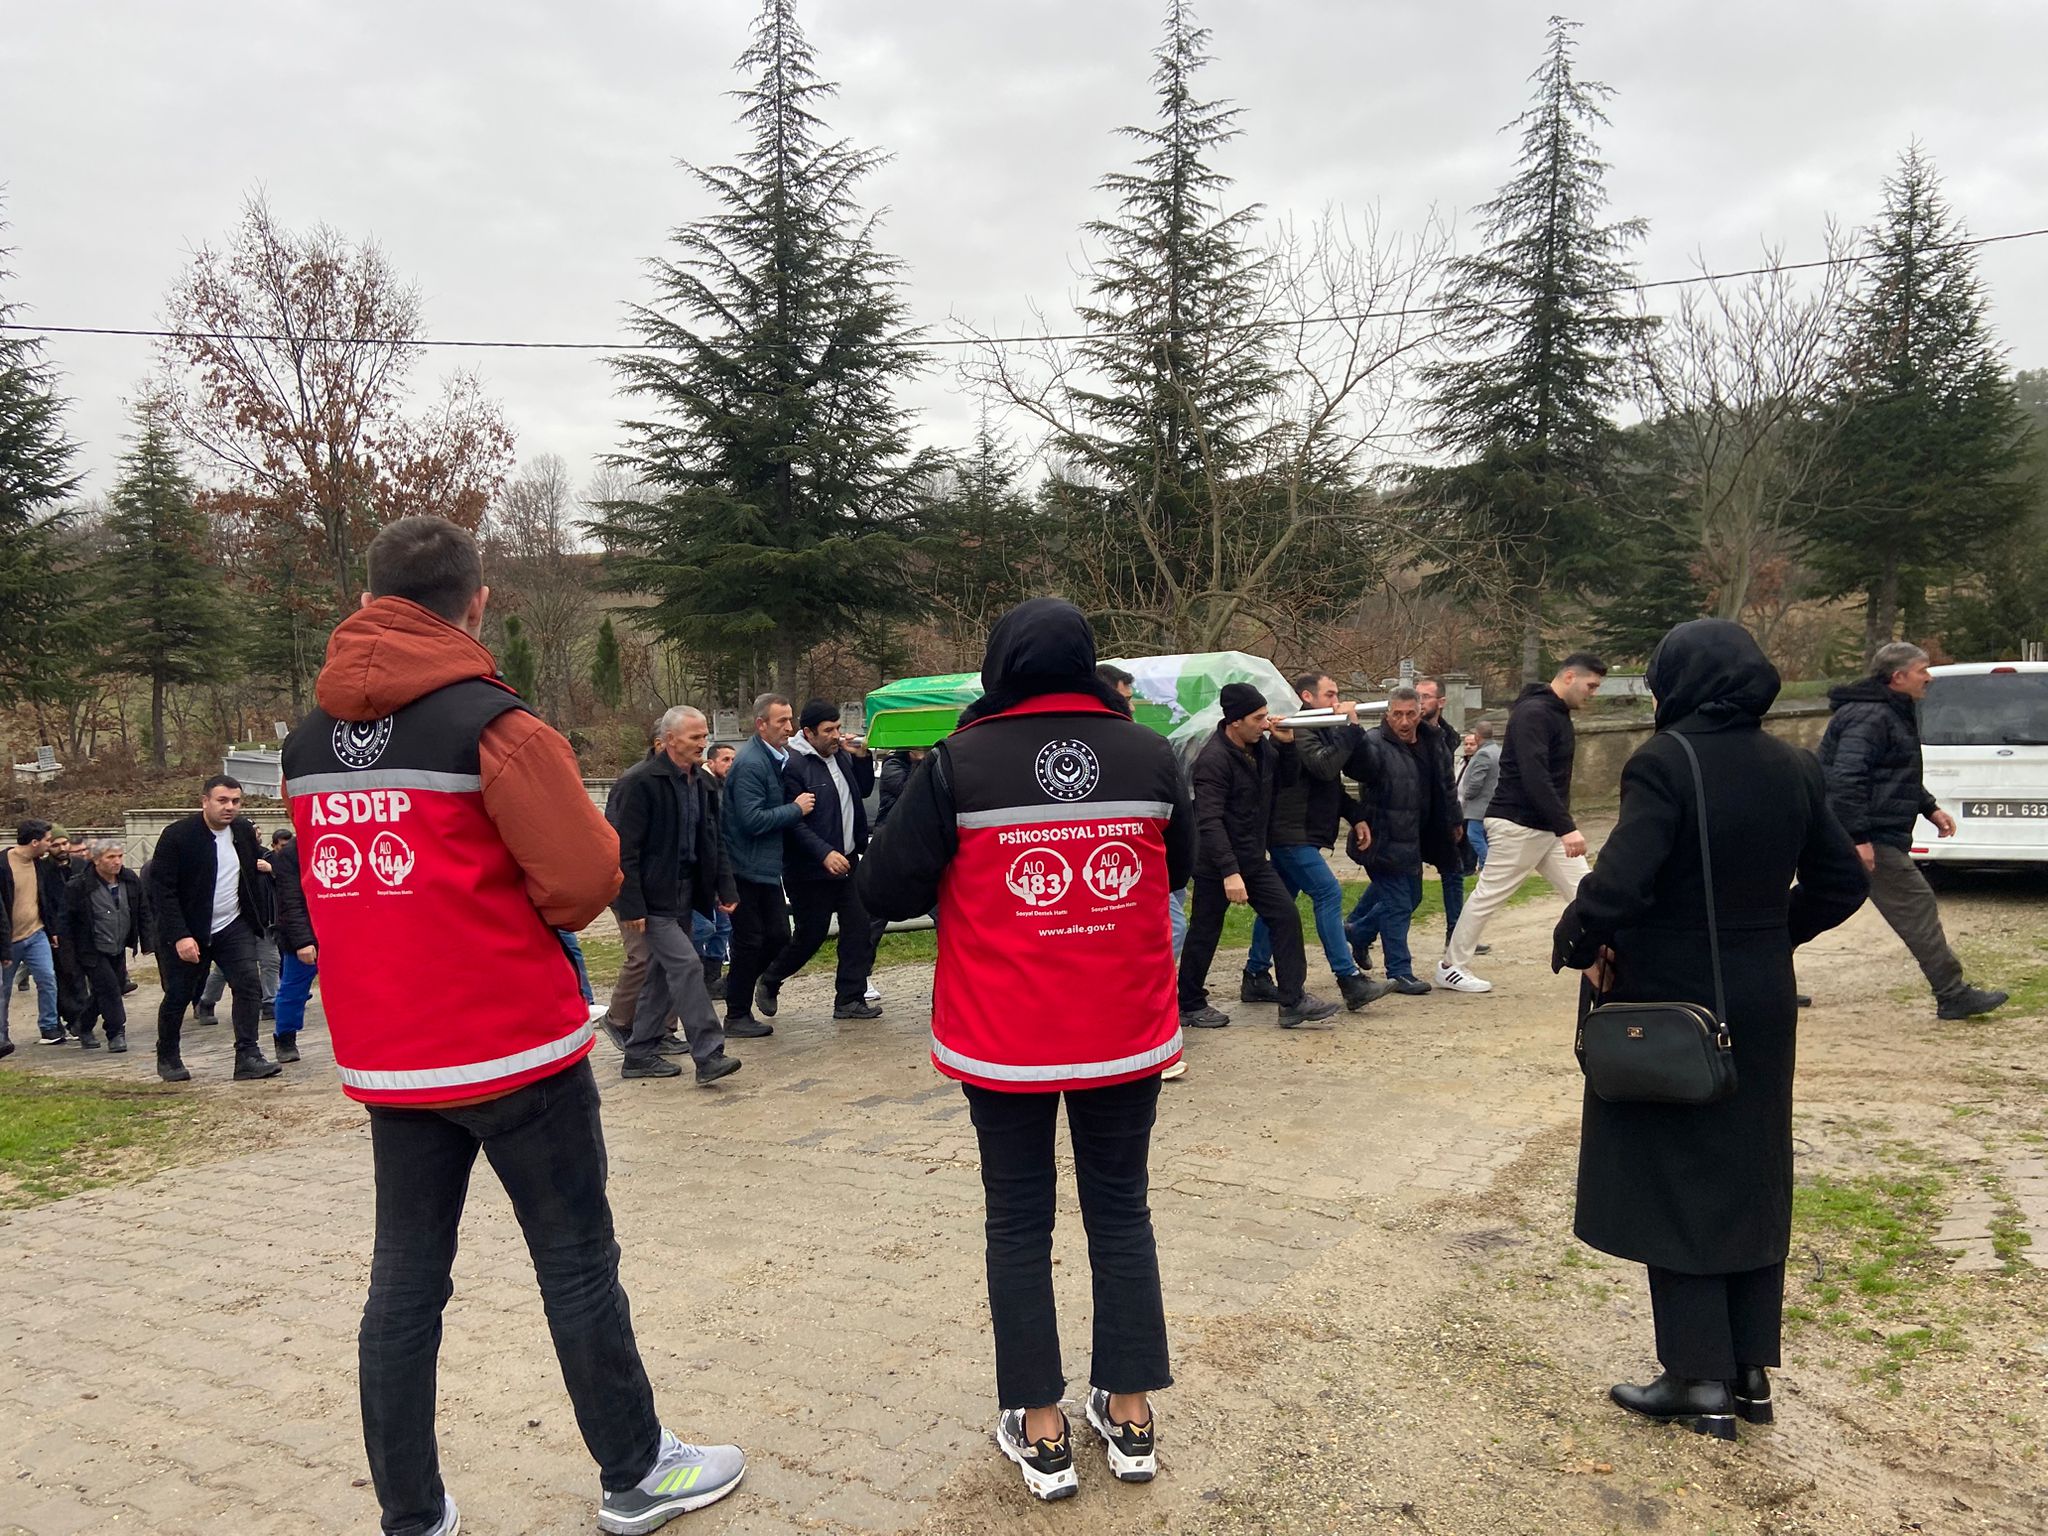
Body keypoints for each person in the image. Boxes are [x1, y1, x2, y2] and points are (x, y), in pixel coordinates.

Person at [281, 515, 743, 1536]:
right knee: (575, 1262)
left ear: (365, 603)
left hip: (391, 1057)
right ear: (476, 602)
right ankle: (635, 1473)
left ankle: (414, 1514)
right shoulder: (495, 725)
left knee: (402, 1287)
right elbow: (584, 878)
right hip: (511, 1047)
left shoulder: (305, 743)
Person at [858, 597, 1192, 1500]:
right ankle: (1129, 1417)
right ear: (1088, 663)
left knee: (1018, 1221)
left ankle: (1039, 1431)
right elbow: (1183, 863)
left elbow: (885, 887)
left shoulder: (960, 762)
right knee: (1122, 1212)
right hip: (1122, 1031)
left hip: (1006, 1037)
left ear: (997, 665)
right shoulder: (1150, 750)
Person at [1554, 619, 1867, 1441]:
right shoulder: (1794, 763)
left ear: (1681, 681)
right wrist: (1770, 934)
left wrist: (1582, 943)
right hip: (1760, 995)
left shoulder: (1667, 759)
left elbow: (1622, 879)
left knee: (1678, 1177)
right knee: (1751, 1170)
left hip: (1674, 996)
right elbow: (1840, 881)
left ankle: (1696, 1380)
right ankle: (1749, 1372)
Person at [1818, 642, 2007, 1020]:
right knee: (1916, 904)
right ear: (1897, 676)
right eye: (1922, 670)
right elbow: (1847, 779)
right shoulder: (1871, 716)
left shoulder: (1887, 711)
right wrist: (1859, 839)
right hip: (1867, 833)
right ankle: (1952, 993)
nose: (1929, 677)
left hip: (1853, 830)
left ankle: (1770, 974)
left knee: (1817, 902)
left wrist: (1930, 807)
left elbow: (1891, 772)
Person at [1437, 653, 1609, 993]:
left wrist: (1559, 825)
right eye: (1591, 685)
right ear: (1570, 677)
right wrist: (1566, 827)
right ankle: (1451, 966)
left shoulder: (1553, 713)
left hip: (1542, 827)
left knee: (1588, 892)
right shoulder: (1535, 713)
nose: (1593, 693)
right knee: (1490, 894)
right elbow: (1535, 775)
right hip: (1517, 824)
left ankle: (1607, 959)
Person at [1178, 684, 1339, 1030]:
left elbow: (1286, 781)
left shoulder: (1261, 748)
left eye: (1265, 715)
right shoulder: (1213, 760)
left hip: (1252, 856)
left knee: (1285, 916)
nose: (1265, 723)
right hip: (1215, 863)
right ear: (1235, 722)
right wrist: (1229, 872)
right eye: (1258, 718)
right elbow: (1209, 820)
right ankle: (1189, 1002)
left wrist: (1287, 744)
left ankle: (1292, 1001)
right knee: (1206, 930)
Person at [611, 705, 743, 1083]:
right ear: (669, 740)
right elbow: (622, 850)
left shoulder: (702, 783)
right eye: (695, 737)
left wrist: (725, 886)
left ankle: (639, 1053)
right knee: (687, 966)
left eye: (704, 736)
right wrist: (630, 903)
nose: (704, 743)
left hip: (683, 895)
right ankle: (709, 1053)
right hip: (650, 901)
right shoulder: (638, 783)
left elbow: (713, 840)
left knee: (659, 973)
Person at [1243, 673, 1387, 1012]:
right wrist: (1349, 730)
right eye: (1330, 694)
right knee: (1327, 892)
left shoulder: (1324, 726)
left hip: (1300, 831)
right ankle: (1349, 979)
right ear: (1307, 696)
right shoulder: (1301, 726)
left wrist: (1356, 815)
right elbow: (1324, 767)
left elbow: (1337, 783)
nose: (1337, 700)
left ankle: (1255, 974)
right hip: (1290, 833)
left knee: (1280, 902)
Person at [145, 778, 280, 1082]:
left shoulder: (243, 831)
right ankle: (168, 1054)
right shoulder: (177, 836)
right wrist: (180, 935)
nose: (229, 807)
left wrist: (255, 918)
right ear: (205, 801)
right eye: (222, 800)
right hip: (188, 929)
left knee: (248, 983)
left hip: (233, 925)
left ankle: (247, 1054)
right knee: (180, 994)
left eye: (235, 801)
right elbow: (162, 891)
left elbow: (248, 875)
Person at [759, 700, 880, 1021]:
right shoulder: (793, 765)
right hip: (809, 868)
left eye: (837, 728)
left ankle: (849, 999)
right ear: (808, 733)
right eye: (828, 731)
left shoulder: (840, 755)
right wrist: (823, 853)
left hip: (849, 861)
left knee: (859, 928)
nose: (835, 735)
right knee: (810, 935)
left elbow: (864, 791)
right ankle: (770, 978)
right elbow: (793, 822)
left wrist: (864, 758)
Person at [1343, 688, 1459, 996]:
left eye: (1410, 714)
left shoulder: (1432, 741)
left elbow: (1446, 784)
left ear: (1420, 713)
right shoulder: (1374, 742)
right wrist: (1352, 731)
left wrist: (1455, 820)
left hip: (1415, 839)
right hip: (1380, 839)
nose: (1404, 721)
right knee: (1397, 905)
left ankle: (1358, 932)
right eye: (1397, 714)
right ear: (1387, 714)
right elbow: (1358, 768)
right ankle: (1400, 971)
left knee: (1413, 899)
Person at [721, 694, 815, 1035]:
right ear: (761, 724)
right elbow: (751, 819)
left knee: (777, 936)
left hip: (764, 867)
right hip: (744, 866)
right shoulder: (751, 763)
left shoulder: (774, 758)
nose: (789, 728)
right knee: (751, 940)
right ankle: (736, 1014)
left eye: (790, 720)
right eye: (781, 722)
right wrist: (795, 809)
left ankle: (736, 985)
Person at [59, 840, 149, 1052]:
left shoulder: (130, 880)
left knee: (111, 987)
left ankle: (83, 1024)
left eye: (119, 856)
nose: (116, 861)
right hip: (90, 948)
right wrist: (67, 953)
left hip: (117, 944)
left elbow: (142, 910)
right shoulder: (79, 886)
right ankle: (116, 1032)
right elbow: (65, 922)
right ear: (96, 860)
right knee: (109, 989)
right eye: (110, 857)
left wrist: (147, 940)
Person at [2, 820, 68, 1051]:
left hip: (36, 933)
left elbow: (46, 900)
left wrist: (53, 931)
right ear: (34, 842)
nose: (50, 845)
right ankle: (2, 1035)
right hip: (8, 940)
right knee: (3, 989)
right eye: (48, 841)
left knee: (47, 979)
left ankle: (49, 1026)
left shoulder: (39, 865)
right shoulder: (3, 864)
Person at [1413, 677, 1469, 934]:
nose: (1420, 702)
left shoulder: (1447, 737)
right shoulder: (1412, 735)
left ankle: (1456, 932)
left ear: (1441, 702)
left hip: (1441, 817)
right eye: (1418, 696)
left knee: (1453, 873)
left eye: (1425, 697)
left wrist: (1455, 819)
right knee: (1403, 886)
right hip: (1416, 817)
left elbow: (1448, 784)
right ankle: (1359, 927)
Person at [270, 828, 318, 1063]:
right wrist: (303, 941)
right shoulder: (289, 855)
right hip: (303, 934)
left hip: (340, 932)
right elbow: (290, 901)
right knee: (293, 990)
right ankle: (285, 1038)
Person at [694, 742, 738, 999]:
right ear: (711, 762)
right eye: (725, 759)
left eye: (733, 759)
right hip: (704, 870)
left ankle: (711, 977)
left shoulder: (725, 787)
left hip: (723, 868)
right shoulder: (704, 785)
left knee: (723, 926)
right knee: (706, 926)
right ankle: (696, 973)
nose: (730, 764)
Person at [1457, 721, 1501, 870]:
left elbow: (1476, 781)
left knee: (1474, 836)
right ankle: (1487, 864)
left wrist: (1467, 794)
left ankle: (1488, 864)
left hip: (1479, 805)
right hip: (1493, 803)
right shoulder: (1497, 750)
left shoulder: (1483, 754)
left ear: (1477, 736)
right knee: (1486, 838)